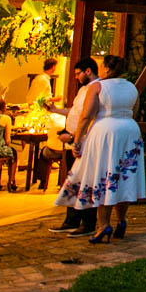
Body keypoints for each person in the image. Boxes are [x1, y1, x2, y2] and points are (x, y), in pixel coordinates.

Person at [56, 55, 145, 243]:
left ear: (105, 69)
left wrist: (77, 140)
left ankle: (103, 225)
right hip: (129, 130)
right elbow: (134, 111)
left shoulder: (97, 87)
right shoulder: (132, 88)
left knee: (105, 175)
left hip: (106, 131)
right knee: (124, 176)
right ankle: (121, 219)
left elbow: (87, 116)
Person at [48, 58, 100, 236]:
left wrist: (74, 138)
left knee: (84, 181)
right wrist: (55, 111)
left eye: (78, 73)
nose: (76, 77)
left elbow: (89, 116)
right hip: (72, 139)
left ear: (88, 71)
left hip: (83, 140)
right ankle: (72, 219)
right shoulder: (82, 91)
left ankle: (88, 222)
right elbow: (76, 111)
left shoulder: (97, 89)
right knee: (72, 181)